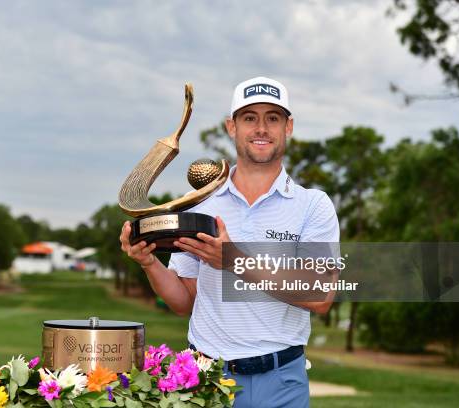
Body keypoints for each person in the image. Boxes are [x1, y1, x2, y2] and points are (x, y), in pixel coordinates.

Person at [120, 76, 339, 408]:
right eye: (249, 118)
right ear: (232, 127)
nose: (261, 128)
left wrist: (234, 259)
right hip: (208, 380)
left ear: (288, 127)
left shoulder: (313, 205)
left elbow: (320, 295)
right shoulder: (200, 206)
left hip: (282, 382)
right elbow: (183, 301)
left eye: (273, 118)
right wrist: (149, 263)